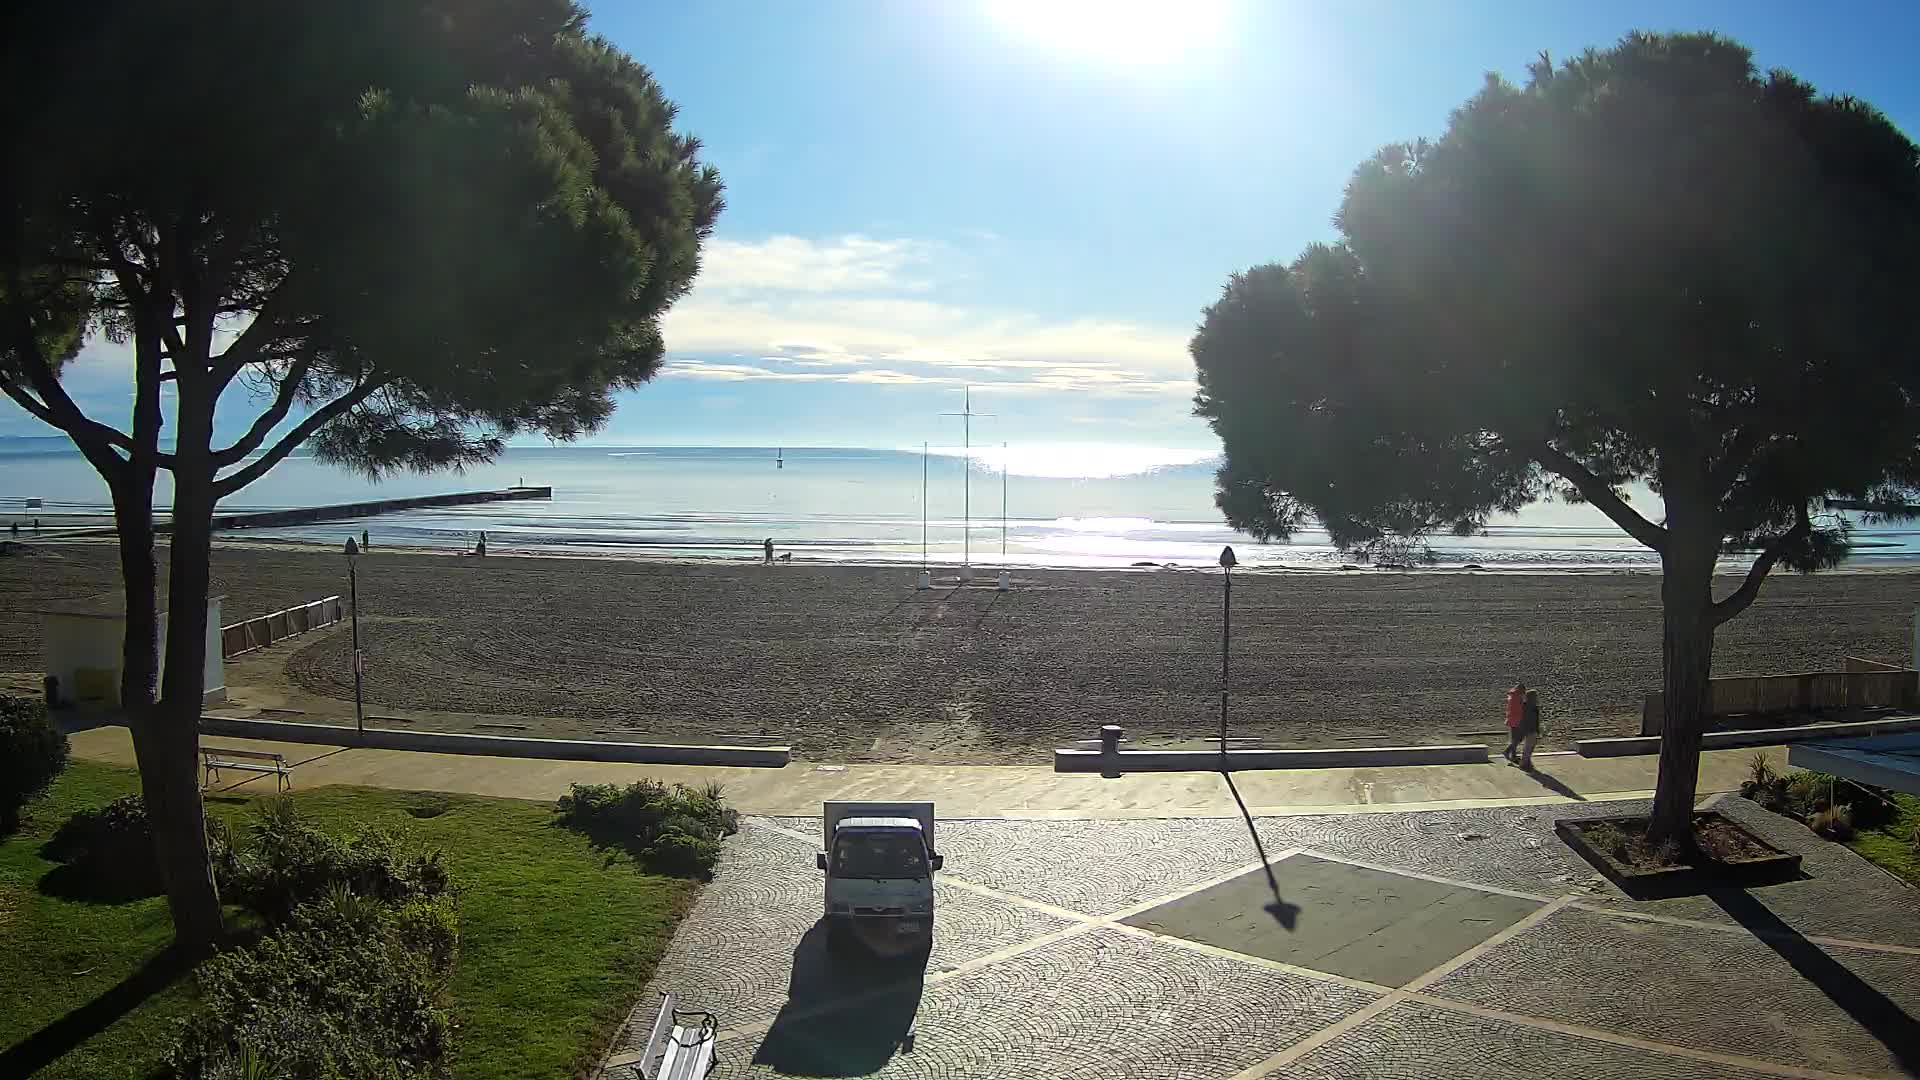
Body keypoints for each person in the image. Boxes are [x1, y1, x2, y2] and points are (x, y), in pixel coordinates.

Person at [1515, 689, 1544, 770]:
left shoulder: (1527, 706)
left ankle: (1526, 762)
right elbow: (1530, 719)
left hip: (1531, 729)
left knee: (1529, 747)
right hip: (1530, 729)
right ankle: (1524, 763)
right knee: (1528, 747)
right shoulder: (1529, 707)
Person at [1502, 682, 1527, 763]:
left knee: (1515, 738)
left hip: (1512, 719)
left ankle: (1512, 754)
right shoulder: (1517, 697)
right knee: (1518, 738)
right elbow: (1519, 709)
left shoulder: (1512, 695)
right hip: (1517, 720)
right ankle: (1508, 752)